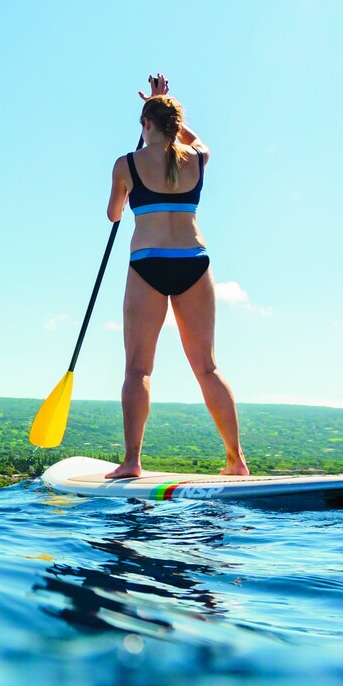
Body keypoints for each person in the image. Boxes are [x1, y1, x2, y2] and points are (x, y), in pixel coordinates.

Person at [104, 73, 247, 479]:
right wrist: (164, 105)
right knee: (207, 368)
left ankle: (132, 462)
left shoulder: (126, 164)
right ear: (175, 125)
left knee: (138, 370)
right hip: (193, 261)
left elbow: (114, 214)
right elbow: (196, 140)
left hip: (147, 263)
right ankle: (236, 461)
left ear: (144, 124)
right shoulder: (197, 159)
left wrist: (127, 191)